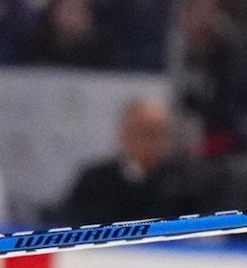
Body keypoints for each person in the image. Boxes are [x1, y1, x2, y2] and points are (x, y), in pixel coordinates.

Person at [60, 96, 194, 226]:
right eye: (141, 132)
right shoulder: (96, 180)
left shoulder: (187, 183)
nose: (149, 141)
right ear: (124, 134)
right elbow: (69, 221)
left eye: (157, 133)